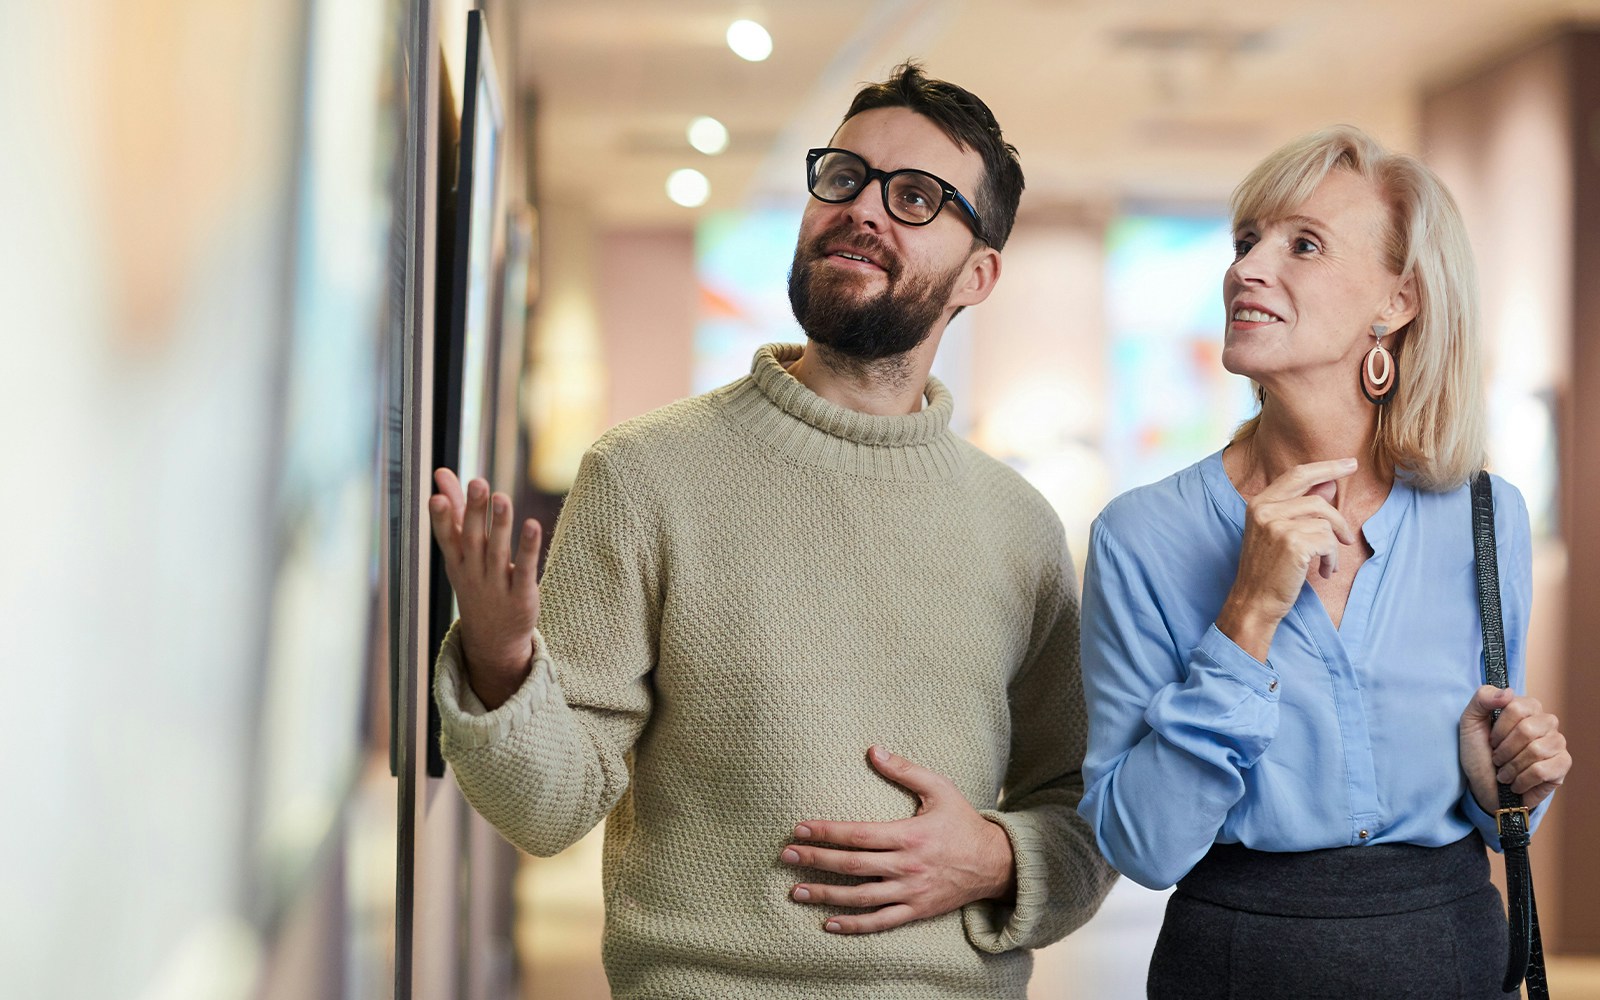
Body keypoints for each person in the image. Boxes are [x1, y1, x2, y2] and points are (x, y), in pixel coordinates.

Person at [427, 62, 1116, 999]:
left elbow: (1085, 817)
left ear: (979, 274)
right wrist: (502, 662)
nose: (864, 209)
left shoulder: (1021, 530)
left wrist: (996, 858)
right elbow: (549, 810)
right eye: (844, 176)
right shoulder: (642, 474)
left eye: (915, 197)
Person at [1076, 124, 1573, 998]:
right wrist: (1246, 617)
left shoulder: (1487, 518)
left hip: (1454, 957)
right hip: (1234, 968)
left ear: (1400, 301)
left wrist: (1511, 781)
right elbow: (1142, 848)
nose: (1247, 268)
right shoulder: (1140, 535)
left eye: (1302, 244)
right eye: (1245, 242)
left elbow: (1498, 816)